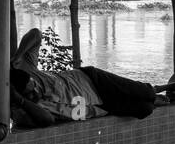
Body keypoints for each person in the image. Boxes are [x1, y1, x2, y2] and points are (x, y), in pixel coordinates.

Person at [9, 27, 164, 127]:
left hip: (93, 80)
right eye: (32, 93)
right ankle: (160, 98)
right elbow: (46, 120)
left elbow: (35, 34)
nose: (36, 90)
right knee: (145, 109)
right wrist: (21, 101)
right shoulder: (24, 108)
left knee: (147, 92)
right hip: (100, 106)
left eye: (34, 85)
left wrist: (17, 56)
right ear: (21, 95)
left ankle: (162, 90)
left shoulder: (25, 68)